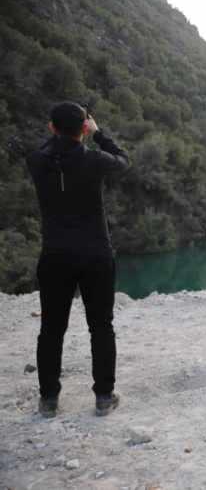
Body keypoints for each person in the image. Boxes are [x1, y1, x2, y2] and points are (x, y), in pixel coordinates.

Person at [26, 101, 130, 417]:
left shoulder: (36, 161)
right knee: (101, 326)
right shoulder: (95, 160)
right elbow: (124, 161)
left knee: (51, 329)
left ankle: (48, 400)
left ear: (51, 128)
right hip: (95, 254)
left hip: (55, 255)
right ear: (83, 129)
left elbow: (49, 147)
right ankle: (103, 397)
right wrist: (98, 134)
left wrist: (65, 133)